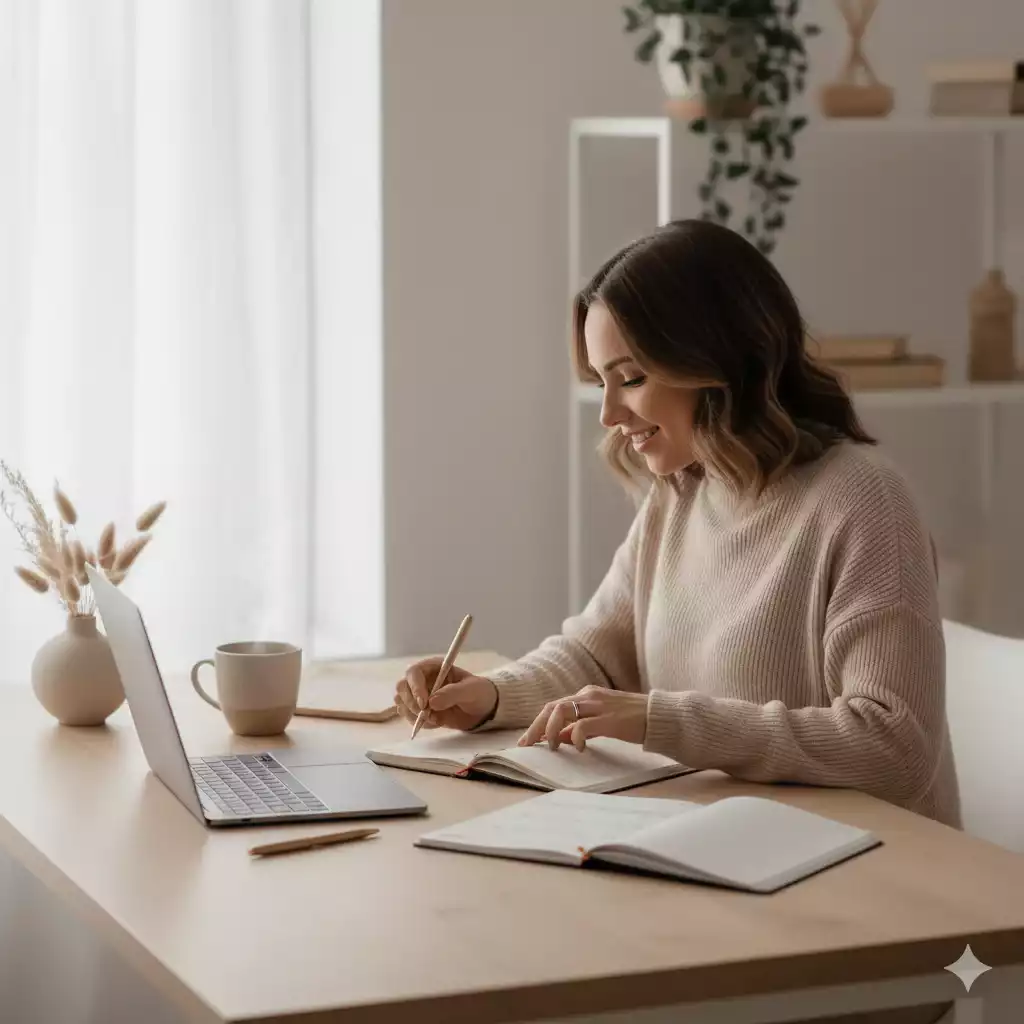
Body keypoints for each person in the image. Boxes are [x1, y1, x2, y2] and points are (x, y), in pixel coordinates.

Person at [393, 218, 961, 833]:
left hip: (870, 870)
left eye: (631, 378)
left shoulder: (864, 500)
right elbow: (596, 657)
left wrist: (658, 721)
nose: (610, 414)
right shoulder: (683, 491)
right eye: (601, 382)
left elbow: (894, 747)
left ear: (713, 359)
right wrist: (489, 697)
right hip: (724, 844)